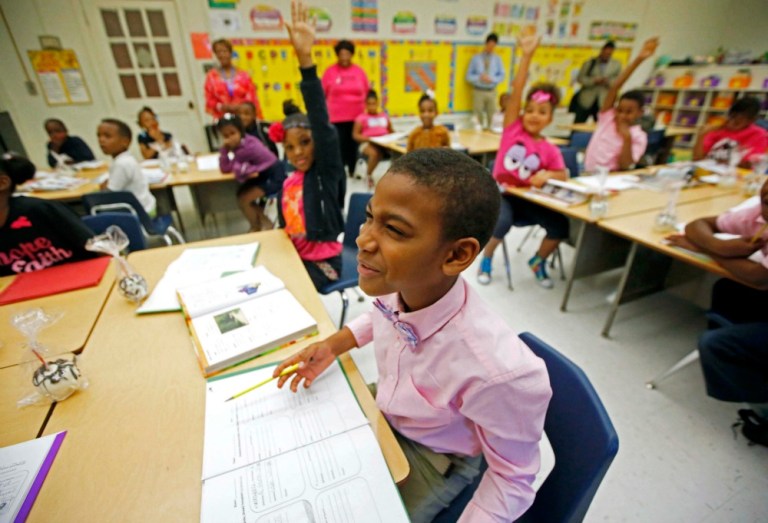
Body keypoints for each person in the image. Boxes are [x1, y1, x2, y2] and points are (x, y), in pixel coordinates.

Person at [272, 145, 551, 520]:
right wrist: (333, 345)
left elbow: (512, 477)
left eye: (394, 230)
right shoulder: (400, 282)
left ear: (456, 256)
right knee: (293, 460)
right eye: (370, 217)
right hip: (389, 409)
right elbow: (383, 317)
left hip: (435, 456)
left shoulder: (498, 371)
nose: (363, 240)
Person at [478, 34, 568, 289]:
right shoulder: (512, 130)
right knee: (502, 222)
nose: (534, 116)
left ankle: (538, 261)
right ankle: (487, 257)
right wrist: (526, 56)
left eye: (542, 112)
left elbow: (563, 174)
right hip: (502, 194)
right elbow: (516, 92)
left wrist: (549, 175)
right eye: (529, 110)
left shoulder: (549, 149)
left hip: (529, 199)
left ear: (551, 118)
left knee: (560, 225)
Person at [266, 5, 345, 291]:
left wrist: (305, 60)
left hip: (323, 264)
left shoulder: (325, 173)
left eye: (305, 143)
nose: (297, 152)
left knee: (284, 291)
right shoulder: (290, 180)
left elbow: (321, 125)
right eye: (289, 147)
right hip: (294, 255)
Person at [0, 152, 96, 276]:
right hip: (25, 292)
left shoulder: (42, 210)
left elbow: (98, 247)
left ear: (2, 183)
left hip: (79, 279)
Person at [584, 37, 659, 172]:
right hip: (588, 175)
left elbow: (625, 165)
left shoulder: (638, 136)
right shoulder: (608, 119)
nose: (622, 115)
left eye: (629, 112)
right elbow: (615, 87)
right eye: (620, 110)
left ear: (640, 113)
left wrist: (627, 138)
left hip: (613, 179)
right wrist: (638, 60)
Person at [217, 113, 285, 232]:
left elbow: (228, 168)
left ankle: (255, 227)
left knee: (245, 199)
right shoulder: (241, 144)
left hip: (274, 176)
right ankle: (264, 222)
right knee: (241, 195)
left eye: (233, 133)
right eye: (225, 136)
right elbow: (227, 168)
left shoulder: (247, 147)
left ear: (240, 131)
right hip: (262, 175)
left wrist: (225, 153)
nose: (229, 138)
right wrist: (224, 150)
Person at [321, 38, 370, 177]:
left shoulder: (359, 72)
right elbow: (322, 93)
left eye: (347, 54)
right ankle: (340, 171)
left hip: (356, 117)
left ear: (351, 54)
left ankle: (353, 170)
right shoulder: (330, 72)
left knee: (353, 146)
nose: (344, 57)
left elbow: (367, 91)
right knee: (339, 145)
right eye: (341, 54)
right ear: (337, 55)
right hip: (336, 117)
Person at [97, 118, 156, 216]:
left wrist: (103, 189)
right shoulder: (125, 159)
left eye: (107, 136)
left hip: (139, 214)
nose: (101, 140)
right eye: (99, 136)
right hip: (145, 207)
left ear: (125, 141)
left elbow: (109, 195)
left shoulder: (122, 163)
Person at [692, 96, 768, 167]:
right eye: (731, 117)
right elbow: (697, 159)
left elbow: (748, 164)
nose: (731, 122)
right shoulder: (719, 129)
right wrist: (701, 135)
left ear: (751, 120)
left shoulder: (759, 135)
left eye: (737, 122)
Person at [204, 38, 260, 121]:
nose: (222, 55)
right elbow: (209, 99)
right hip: (223, 120)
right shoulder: (211, 76)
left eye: (224, 51)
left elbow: (252, 97)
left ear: (230, 52)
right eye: (218, 52)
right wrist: (221, 106)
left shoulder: (244, 75)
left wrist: (240, 107)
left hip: (244, 118)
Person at [572, 41, 622, 124]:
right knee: (579, 122)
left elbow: (618, 81)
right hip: (586, 99)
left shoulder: (616, 65)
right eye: (605, 53)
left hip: (603, 100)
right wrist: (594, 80)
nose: (606, 55)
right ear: (602, 50)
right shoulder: (590, 63)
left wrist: (607, 81)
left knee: (601, 125)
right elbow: (580, 78)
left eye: (609, 54)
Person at [352, 89, 394, 188]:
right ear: (366, 104)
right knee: (375, 154)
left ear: (378, 103)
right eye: (369, 104)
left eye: (374, 103)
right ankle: (368, 176)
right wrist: (369, 139)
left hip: (385, 143)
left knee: (398, 153)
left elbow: (391, 130)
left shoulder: (384, 116)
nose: (372, 106)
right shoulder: (361, 118)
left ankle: (393, 177)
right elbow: (355, 135)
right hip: (367, 143)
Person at [466, 33, 506, 130]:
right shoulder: (476, 58)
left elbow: (502, 75)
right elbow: (468, 77)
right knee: (478, 114)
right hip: (478, 90)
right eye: (489, 45)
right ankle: (478, 134)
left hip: (491, 90)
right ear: (486, 44)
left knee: (492, 115)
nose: (491, 48)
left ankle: (490, 134)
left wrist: (492, 79)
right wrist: (479, 77)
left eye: (493, 46)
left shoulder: (497, 59)